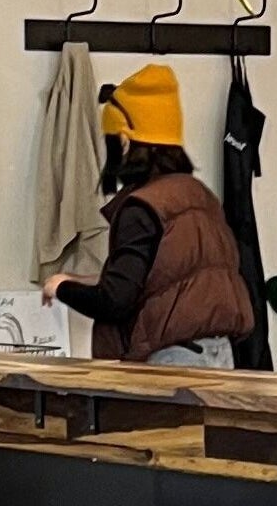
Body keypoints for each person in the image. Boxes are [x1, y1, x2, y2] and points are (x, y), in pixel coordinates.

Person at [42, 64, 255, 369]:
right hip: (220, 355)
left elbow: (115, 300)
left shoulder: (142, 208)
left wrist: (61, 288)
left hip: (173, 361)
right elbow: (156, 279)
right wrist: (81, 281)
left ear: (125, 141)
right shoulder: (201, 197)